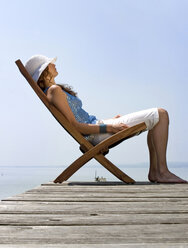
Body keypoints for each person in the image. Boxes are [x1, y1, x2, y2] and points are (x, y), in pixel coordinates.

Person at [25, 55, 187, 183]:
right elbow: (76, 125)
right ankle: (162, 172)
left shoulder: (54, 90)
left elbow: (83, 119)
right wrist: (108, 128)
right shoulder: (54, 90)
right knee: (161, 114)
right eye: (50, 63)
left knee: (155, 120)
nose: (54, 64)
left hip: (97, 127)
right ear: (44, 71)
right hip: (97, 133)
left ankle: (155, 172)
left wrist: (110, 121)